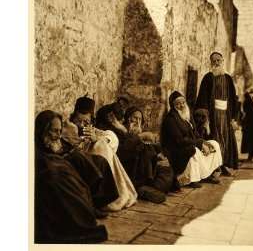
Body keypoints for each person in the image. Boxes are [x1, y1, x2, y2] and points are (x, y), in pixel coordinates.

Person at [34, 110, 108, 243]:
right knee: (63, 172)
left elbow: (64, 148)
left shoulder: (57, 139)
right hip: (48, 168)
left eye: (59, 130)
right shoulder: (35, 144)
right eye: (54, 131)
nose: (58, 135)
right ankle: (82, 213)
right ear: (43, 131)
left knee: (93, 160)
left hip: (59, 161)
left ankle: (93, 204)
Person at [62, 96, 137, 211]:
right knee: (101, 147)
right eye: (79, 120)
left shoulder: (92, 129)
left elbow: (112, 137)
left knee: (102, 145)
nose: (82, 124)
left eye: (85, 121)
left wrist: (95, 138)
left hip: (93, 162)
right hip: (78, 162)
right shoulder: (68, 128)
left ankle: (112, 195)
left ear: (91, 120)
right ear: (73, 117)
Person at [96, 103, 173, 203]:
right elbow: (123, 149)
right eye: (134, 118)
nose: (137, 121)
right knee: (160, 177)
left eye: (140, 119)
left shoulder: (122, 129)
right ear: (112, 120)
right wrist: (138, 136)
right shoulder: (111, 131)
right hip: (132, 168)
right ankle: (142, 188)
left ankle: (149, 187)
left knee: (167, 170)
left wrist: (157, 152)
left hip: (145, 165)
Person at [161, 91, 223, 188]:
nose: (181, 105)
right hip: (177, 150)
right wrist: (199, 144)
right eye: (178, 103)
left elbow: (195, 134)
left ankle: (209, 174)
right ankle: (192, 178)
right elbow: (180, 140)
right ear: (173, 106)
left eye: (183, 102)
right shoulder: (171, 119)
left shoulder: (186, 115)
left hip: (190, 143)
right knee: (195, 151)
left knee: (214, 144)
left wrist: (203, 142)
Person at [195, 51, 239, 175]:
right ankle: (215, 167)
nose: (216, 63)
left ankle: (224, 164)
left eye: (218, 60)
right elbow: (202, 97)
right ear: (211, 63)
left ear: (222, 61)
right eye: (213, 61)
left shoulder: (228, 78)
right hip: (213, 115)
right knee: (215, 138)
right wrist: (205, 117)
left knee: (225, 139)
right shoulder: (208, 77)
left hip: (226, 114)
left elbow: (233, 98)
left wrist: (234, 117)